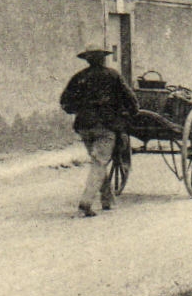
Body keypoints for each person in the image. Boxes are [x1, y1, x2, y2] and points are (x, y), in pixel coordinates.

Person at [59, 45, 140, 217]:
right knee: (99, 162)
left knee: (98, 160)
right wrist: (130, 114)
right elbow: (131, 99)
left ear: (87, 60)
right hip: (106, 125)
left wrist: (79, 110)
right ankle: (85, 204)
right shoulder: (112, 75)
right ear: (103, 59)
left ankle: (107, 199)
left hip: (84, 126)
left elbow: (65, 101)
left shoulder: (79, 77)